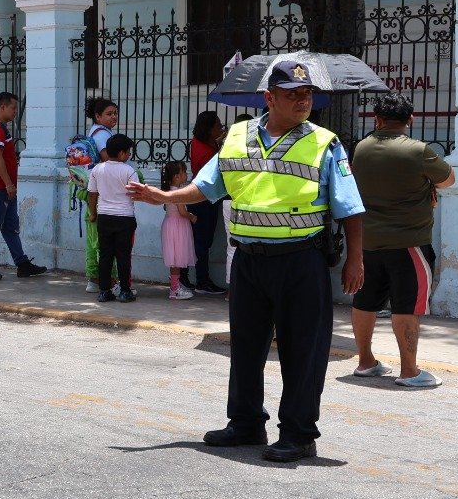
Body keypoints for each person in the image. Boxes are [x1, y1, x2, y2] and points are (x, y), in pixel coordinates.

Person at [128, 58, 365, 463]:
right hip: (250, 260)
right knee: (247, 346)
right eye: (293, 94)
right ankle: (245, 423)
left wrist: (355, 259)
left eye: (307, 94)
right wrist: (165, 197)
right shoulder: (237, 137)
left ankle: (298, 434)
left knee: (302, 350)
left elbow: (350, 208)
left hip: (301, 260)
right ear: (269, 98)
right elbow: (207, 186)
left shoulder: (326, 142)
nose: (303, 100)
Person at [349, 93, 457, 387]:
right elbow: (448, 180)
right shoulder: (419, 151)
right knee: (406, 306)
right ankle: (409, 371)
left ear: (377, 119)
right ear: (410, 119)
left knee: (365, 301)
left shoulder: (361, 148)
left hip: (368, 240)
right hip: (409, 242)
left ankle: (365, 361)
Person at [0, 91, 47, 281]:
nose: (15, 112)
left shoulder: (0, 127)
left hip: (4, 188)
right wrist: (8, 184)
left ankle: (22, 264)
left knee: (10, 227)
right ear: (2, 107)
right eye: (13, 108)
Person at [87, 133, 139, 303]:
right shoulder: (129, 171)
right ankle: (124, 291)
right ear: (122, 153)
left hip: (104, 217)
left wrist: (93, 213)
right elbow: (134, 195)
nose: (129, 155)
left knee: (105, 255)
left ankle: (104, 291)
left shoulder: (97, 169)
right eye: (128, 152)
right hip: (124, 217)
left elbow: (92, 194)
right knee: (123, 256)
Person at [186, 111, 228, 294]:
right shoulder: (207, 150)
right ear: (210, 129)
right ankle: (202, 281)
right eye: (218, 126)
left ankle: (194, 279)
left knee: (200, 241)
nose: (221, 128)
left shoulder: (197, 143)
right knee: (202, 242)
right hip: (204, 198)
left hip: (202, 197)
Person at [82, 98, 120, 292]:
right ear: (97, 116)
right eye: (109, 113)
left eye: (115, 113)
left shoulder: (93, 132)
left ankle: (93, 279)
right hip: (102, 194)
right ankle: (111, 281)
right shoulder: (103, 135)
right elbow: (109, 160)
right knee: (107, 239)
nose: (114, 116)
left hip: (90, 191)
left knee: (93, 238)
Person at [159, 159, 196, 300]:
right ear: (177, 176)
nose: (186, 174)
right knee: (177, 259)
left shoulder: (168, 190)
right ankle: (174, 290)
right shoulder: (178, 193)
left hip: (170, 224)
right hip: (178, 226)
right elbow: (182, 211)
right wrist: (191, 216)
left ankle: (175, 285)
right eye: (184, 172)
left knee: (174, 258)